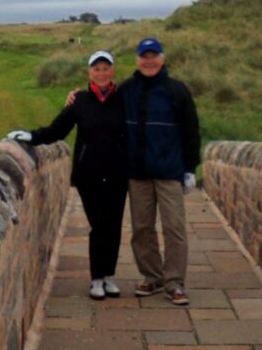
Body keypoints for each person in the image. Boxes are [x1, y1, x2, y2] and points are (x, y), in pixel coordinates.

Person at [65, 37, 200, 305]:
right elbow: (98, 97)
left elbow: (190, 131)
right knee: (141, 229)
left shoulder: (177, 91)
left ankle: (175, 282)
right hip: (137, 173)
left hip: (169, 171)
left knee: (174, 228)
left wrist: (189, 168)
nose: (149, 61)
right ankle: (152, 277)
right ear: (137, 60)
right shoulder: (126, 90)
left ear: (162, 58)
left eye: (154, 55)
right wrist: (74, 97)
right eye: (144, 56)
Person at [6, 50, 128, 300]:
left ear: (113, 71)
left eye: (106, 68)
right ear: (89, 73)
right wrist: (32, 136)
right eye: (97, 69)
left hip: (117, 173)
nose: (102, 73)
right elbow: (57, 130)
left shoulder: (124, 99)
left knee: (113, 225)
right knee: (99, 224)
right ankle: (96, 278)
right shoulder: (80, 100)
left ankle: (108, 276)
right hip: (88, 174)